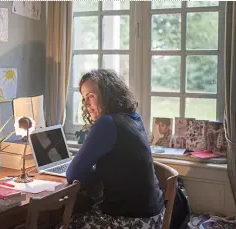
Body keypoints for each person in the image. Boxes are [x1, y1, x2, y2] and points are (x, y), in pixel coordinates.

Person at [66, 69, 164, 229]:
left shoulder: (106, 123)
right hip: (155, 216)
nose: (87, 104)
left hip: (134, 220)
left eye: (91, 96)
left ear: (108, 94)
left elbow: (73, 174)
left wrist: (94, 174)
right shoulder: (133, 117)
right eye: (84, 98)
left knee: (62, 223)